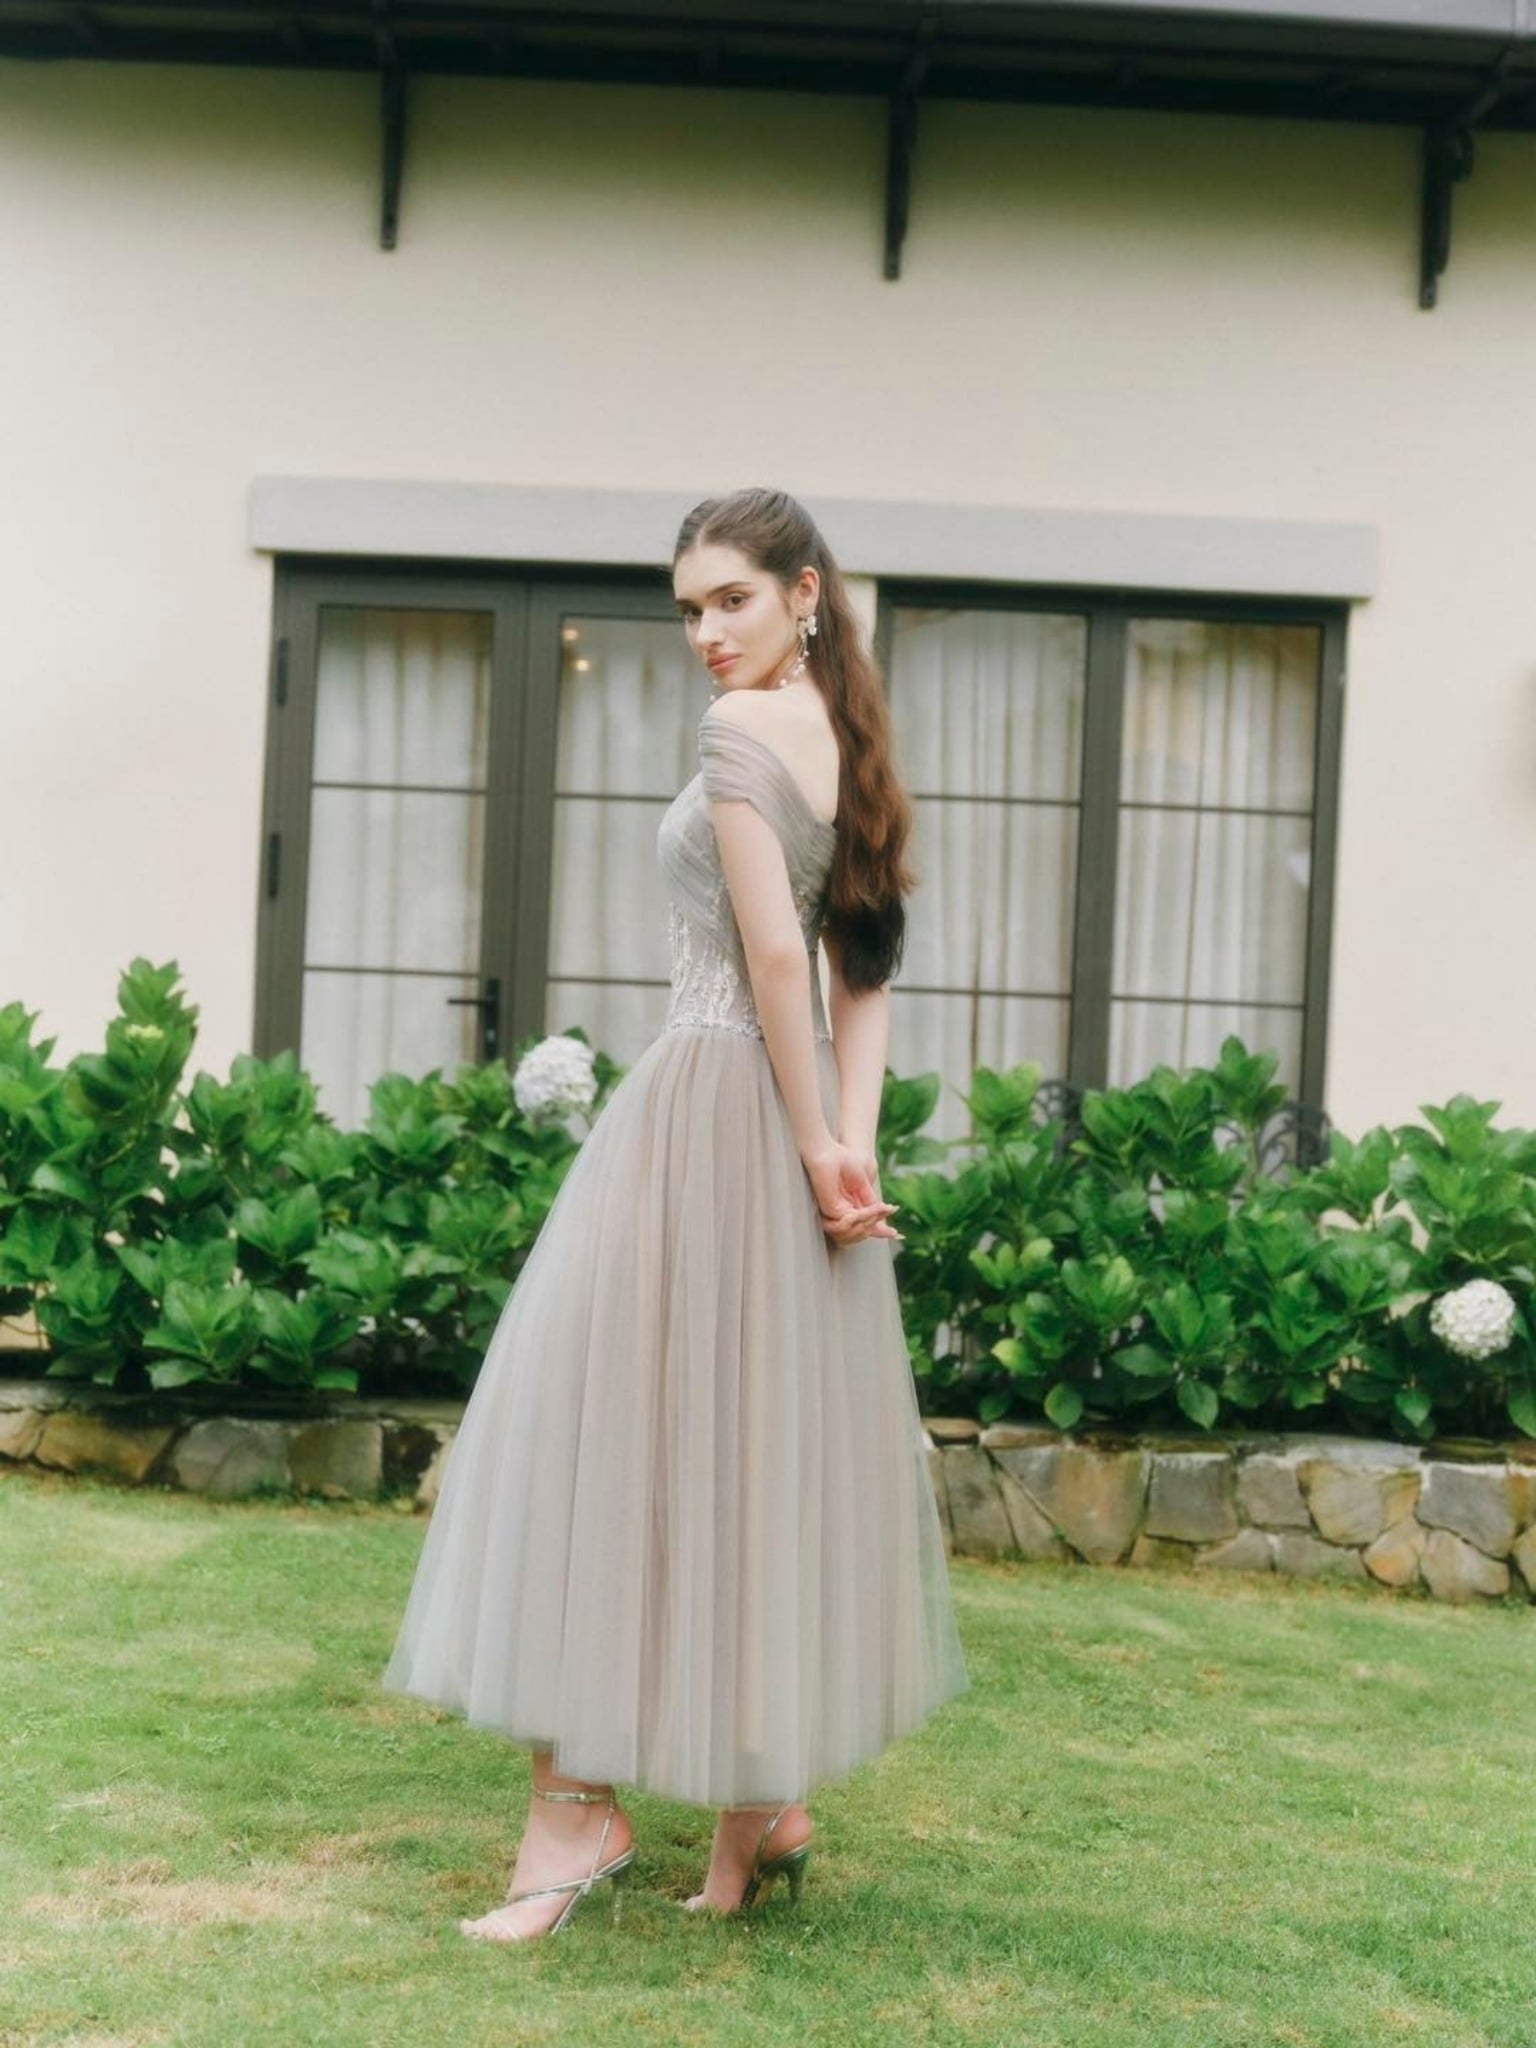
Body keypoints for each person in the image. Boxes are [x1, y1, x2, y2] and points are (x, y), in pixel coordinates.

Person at [380, 484, 969, 1942]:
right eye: (692, 609)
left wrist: (819, 1142)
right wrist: (847, 1146)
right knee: (749, 1452)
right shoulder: (850, 741)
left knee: (601, 1436)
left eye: (733, 600)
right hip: (789, 1127)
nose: (707, 633)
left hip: (712, 1107)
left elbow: (778, 956)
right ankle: (757, 1809)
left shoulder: (737, 732)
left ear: (805, 591)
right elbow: (863, 972)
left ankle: (575, 1816)